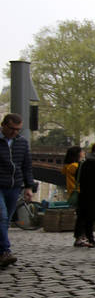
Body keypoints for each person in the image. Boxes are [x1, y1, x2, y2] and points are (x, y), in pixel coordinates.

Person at [0, 113, 34, 267]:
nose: (15, 132)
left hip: (14, 186)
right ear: (4, 125)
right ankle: (5, 251)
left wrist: (28, 187)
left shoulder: (22, 143)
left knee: (5, 221)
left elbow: (26, 166)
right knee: (2, 216)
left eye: (18, 130)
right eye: (12, 129)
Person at [74, 142, 95, 248]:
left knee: (83, 216)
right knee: (91, 217)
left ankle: (80, 237)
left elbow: (77, 176)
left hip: (83, 192)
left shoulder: (84, 162)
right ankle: (91, 238)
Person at [63, 146, 85, 245]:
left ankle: (81, 237)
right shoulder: (75, 166)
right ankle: (80, 237)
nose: (84, 153)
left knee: (81, 215)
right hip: (80, 192)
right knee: (83, 216)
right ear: (78, 154)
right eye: (82, 152)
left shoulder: (67, 167)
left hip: (73, 192)